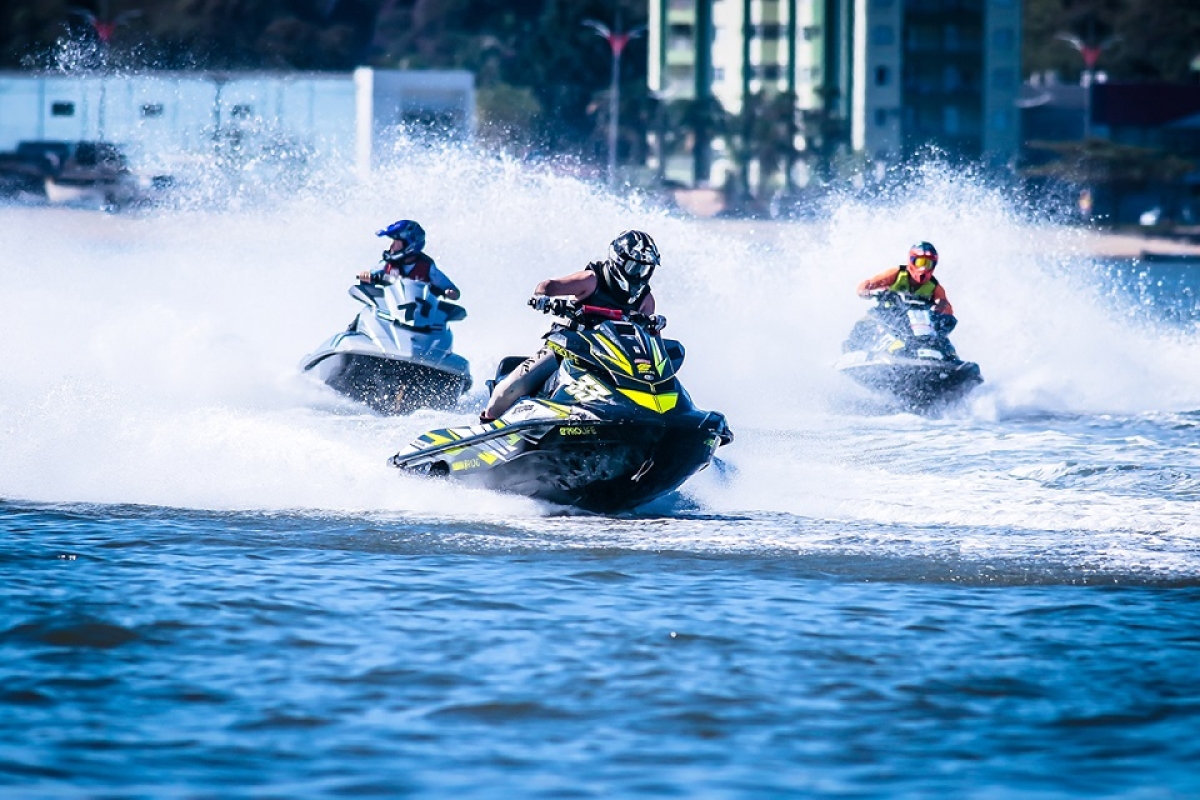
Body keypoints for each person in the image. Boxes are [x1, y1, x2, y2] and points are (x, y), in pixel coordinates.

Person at [480, 229, 663, 423]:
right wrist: (543, 299)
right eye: (635, 267)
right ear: (619, 260)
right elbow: (548, 286)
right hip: (570, 346)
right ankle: (487, 423)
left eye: (645, 268)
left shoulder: (646, 301)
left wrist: (654, 330)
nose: (639, 275)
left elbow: (649, 341)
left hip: (611, 359)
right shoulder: (592, 280)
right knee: (509, 390)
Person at [855, 241, 956, 334]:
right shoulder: (897, 274)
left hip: (916, 325)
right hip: (887, 315)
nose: (923, 268)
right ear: (912, 261)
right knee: (864, 323)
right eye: (920, 262)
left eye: (928, 264)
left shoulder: (934, 286)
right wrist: (864, 290)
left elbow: (947, 307)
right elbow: (869, 283)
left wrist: (941, 307)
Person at [358, 219, 460, 300]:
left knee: (441, 324)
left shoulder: (427, 266)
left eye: (397, 243)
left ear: (410, 246)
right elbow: (371, 275)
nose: (392, 247)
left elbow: (449, 287)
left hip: (420, 316)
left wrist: (450, 292)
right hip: (390, 313)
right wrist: (366, 276)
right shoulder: (387, 264)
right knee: (365, 315)